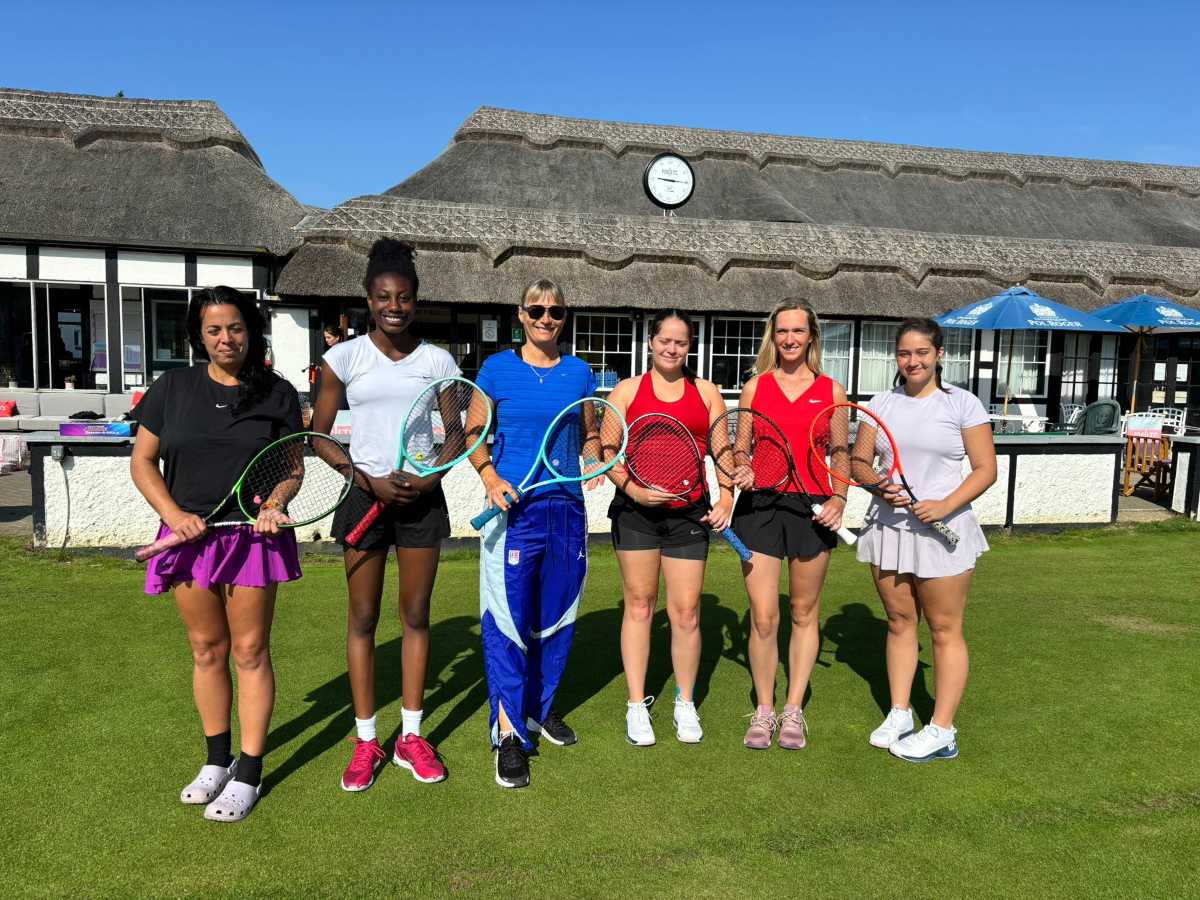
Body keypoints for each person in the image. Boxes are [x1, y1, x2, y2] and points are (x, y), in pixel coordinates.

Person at [130, 286, 303, 823]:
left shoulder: (277, 393)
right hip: (187, 539)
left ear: (251, 332)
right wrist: (175, 515)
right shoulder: (172, 387)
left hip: (253, 536)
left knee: (249, 651)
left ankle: (248, 773)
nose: (225, 339)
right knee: (206, 649)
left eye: (235, 328)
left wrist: (275, 503)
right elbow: (143, 461)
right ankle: (216, 762)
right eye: (213, 330)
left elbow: (291, 468)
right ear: (197, 336)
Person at [311, 239, 458, 790]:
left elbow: (457, 435)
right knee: (363, 620)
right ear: (368, 300)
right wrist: (363, 479)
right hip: (362, 496)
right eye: (383, 297)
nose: (394, 306)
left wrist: (429, 478)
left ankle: (411, 737)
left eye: (404, 298)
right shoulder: (343, 358)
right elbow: (319, 436)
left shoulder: (438, 361)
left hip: (420, 498)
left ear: (416, 300)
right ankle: (367, 740)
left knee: (416, 615)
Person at [469, 278, 600, 789]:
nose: (547, 319)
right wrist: (489, 476)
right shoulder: (496, 370)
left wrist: (597, 459)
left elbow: (588, 434)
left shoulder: (579, 373)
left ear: (565, 318)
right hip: (512, 512)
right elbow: (474, 435)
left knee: (556, 619)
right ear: (520, 315)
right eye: (537, 310)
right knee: (507, 623)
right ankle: (506, 734)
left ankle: (539, 711)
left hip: (566, 510)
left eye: (556, 312)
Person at [856, 317, 996, 762]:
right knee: (900, 623)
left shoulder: (963, 404)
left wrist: (944, 505)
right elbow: (859, 463)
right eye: (903, 353)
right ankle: (900, 712)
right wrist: (877, 485)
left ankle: (942, 729)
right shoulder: (881, 402)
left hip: (942, 533)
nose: (912, 361)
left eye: (921, 352)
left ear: (939, 355)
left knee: (944, 629)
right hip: (888, 527)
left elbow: (985, 469)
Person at [603, 310, 732, 746]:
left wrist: (728, 496)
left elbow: (723, 452)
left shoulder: (708, 393)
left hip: (688, 517)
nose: (672, 348)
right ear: (652, 342)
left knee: (686, 613)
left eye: (681, 342)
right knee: (640, 605)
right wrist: (634, 490)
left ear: (689, 346)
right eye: (665, 340)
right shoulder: (626, 390)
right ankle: (637, 704)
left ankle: (684, 701)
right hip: (635, 514)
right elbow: (606, 451)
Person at [730, 298, 849, 750]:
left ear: (812, 336)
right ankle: (764, 708)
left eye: (798, 331)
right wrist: (742, 467)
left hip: (813, 508)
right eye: (782, 332)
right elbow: (742, 446)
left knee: (803, 612)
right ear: (773, 336)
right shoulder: (756, 387)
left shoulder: (832, 391)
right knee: (764, 616)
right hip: (760, 506)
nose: (790, 339)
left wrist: (840, 497)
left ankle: (793, 709)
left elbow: (840, 453)